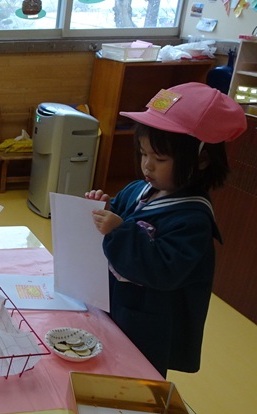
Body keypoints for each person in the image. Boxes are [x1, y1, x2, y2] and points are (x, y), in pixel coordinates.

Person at [85, 82, 247, 378]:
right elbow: (120, 214)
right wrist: (104, 208)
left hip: (148, 324)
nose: (147, 166)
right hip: (116, 303)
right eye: (143, 153)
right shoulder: (138, 189)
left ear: (201, 160)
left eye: (159, 159)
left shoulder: (192, 220)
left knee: (137, 376)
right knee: (106, 360)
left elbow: (163, 270)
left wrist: (118, 232)